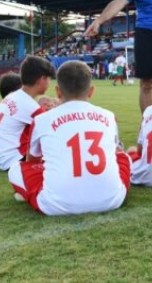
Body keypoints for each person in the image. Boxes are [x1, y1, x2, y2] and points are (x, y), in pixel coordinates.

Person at [9, 61, 131, 215]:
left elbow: (32, 162)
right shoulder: (109, 116)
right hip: (112, 200)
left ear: (58, 92)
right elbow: (115, 152)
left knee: (16, 169)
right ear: (91, 91)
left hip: (55, 205)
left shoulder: (42, 119)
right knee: (122, 156)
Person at [0, 57, 56, 171]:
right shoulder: (30, 106)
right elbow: (54, 130)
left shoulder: (12, 97)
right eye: (48, 79)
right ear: (41, 79)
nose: (50, 83)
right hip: (12, 160)